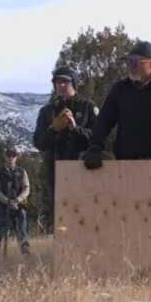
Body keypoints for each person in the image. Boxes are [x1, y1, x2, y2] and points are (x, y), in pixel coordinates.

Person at [82, 41, 151, 168]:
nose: (131, 66)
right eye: (129, 61)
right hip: (125, 165)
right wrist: (95, 146)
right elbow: (104, 121)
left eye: (136, 62)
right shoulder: (120, 90)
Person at [33, 66, 97, 231]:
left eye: (65, 81)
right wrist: (53, 129)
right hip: (56, 172)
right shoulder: (47, 111)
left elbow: (98, 138)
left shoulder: (87, 107)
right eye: (57, 82)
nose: (60, 85)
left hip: (83, 169)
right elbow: (38, 143)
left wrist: (75, 128)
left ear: (74, 83)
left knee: (85, 218)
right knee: (62, 221)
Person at [0, 149, 31, 255]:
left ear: (16, 157)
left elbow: (27, 188)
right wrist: (7, 201)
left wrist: (18, 200)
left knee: (22, 223)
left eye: (13, 155)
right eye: (8, 155)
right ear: (5, 157)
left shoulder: (22, 171)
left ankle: (25, 248)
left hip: (19, 205)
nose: (11, 158)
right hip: (3, 204)